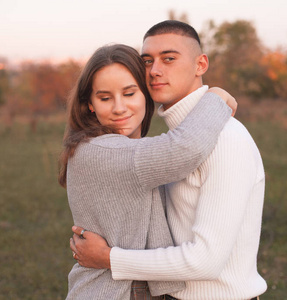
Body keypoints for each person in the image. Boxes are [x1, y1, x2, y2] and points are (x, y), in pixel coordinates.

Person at [71, 20, 268, 300]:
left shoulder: (225, 139)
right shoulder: (169, 141)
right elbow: (183, 147)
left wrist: (110, 258)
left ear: (200, 65)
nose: (155, 71)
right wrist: (216, 98)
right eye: (147, 61)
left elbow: (206, 260)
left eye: (169, 59)